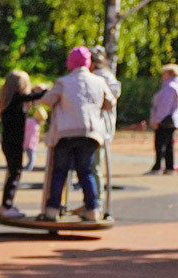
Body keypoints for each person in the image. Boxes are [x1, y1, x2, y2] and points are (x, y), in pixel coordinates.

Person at [39, 47, 115, 222]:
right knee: (86, 170)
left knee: (59, 171)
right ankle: (92, 208)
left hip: (65, 133)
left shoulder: (63, 82)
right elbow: (110, 102)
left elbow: (48, 100)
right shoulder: (98, 82)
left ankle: (52, 209)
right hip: (89, 133)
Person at [0, 70, 47, 218]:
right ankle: (6, 205)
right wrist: (45, 90)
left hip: (8, 142)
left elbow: (30, 97)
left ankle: (7, 204)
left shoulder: (8, 100)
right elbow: (35, 96)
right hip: (14, 143)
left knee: (13, 173)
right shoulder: (17, 99)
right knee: (15, 173)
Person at [89, 46, 121, 191]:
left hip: (98, 126)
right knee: (94, 164)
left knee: (94, 165)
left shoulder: (99, 77)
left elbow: (111, 96)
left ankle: (96, 200)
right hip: (101, 126)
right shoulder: (106, 76)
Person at [147, 64, 178, 175]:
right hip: (173, 120)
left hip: (165, 119)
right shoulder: (175, 85)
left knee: (160, 144)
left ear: (169, 74)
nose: (162, 76)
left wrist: (157, 120)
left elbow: (164, 106)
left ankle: (157, 167)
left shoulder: (169, 87)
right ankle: (169, 167)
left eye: (164, 73)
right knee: (169, 144)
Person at [23, 89, 47, 172]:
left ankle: (28, 167)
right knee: (32, 157)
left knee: (31, 157)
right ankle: (29, 168)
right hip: (29, 144)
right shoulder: (31, 122)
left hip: (31, 144)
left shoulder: (35, 124)